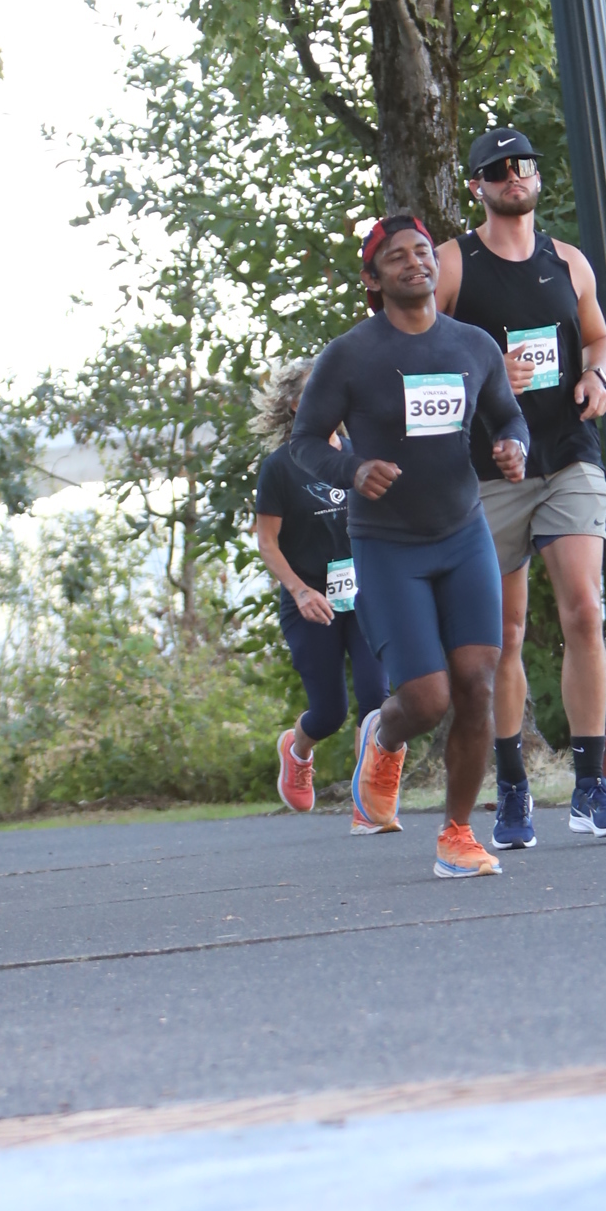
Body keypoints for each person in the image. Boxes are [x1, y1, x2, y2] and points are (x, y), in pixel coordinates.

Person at [290, 215, 529, 880]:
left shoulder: (473, 345)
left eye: (422, 251)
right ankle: (385, 734)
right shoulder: (351, 355)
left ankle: (457, 835)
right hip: (388, 546)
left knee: (477, 683)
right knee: (427, 700)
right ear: (373, 278)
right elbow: (304, 442)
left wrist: (514, 445)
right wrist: (353, 469)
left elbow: (507, 414)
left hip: (463, 534)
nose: (415, 262)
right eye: (396, 257)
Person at [437, 126, 606, 847]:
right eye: (497, 170)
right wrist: (488, 374)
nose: (513, 176)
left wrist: (597, 375)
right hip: (490, 468)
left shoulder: (568, 260)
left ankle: (590, 789)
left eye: (522, 164)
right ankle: (513, 790)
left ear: (536, 177)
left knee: (585, 610)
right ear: (477, 187)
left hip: (568, 453)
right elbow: (418, 350)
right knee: (505, 634)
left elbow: (598, 338)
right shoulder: (452, 263)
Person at [253, 361, 385, 814]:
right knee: (329, 713)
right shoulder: (279, 467)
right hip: (310, 600)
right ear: (295, 405)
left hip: (364, 596)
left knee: (377, 699)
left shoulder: (359, 453)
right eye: (316, 391)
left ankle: (370, 801)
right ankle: (297, 749)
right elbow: (267, 543)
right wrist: (299, 591)